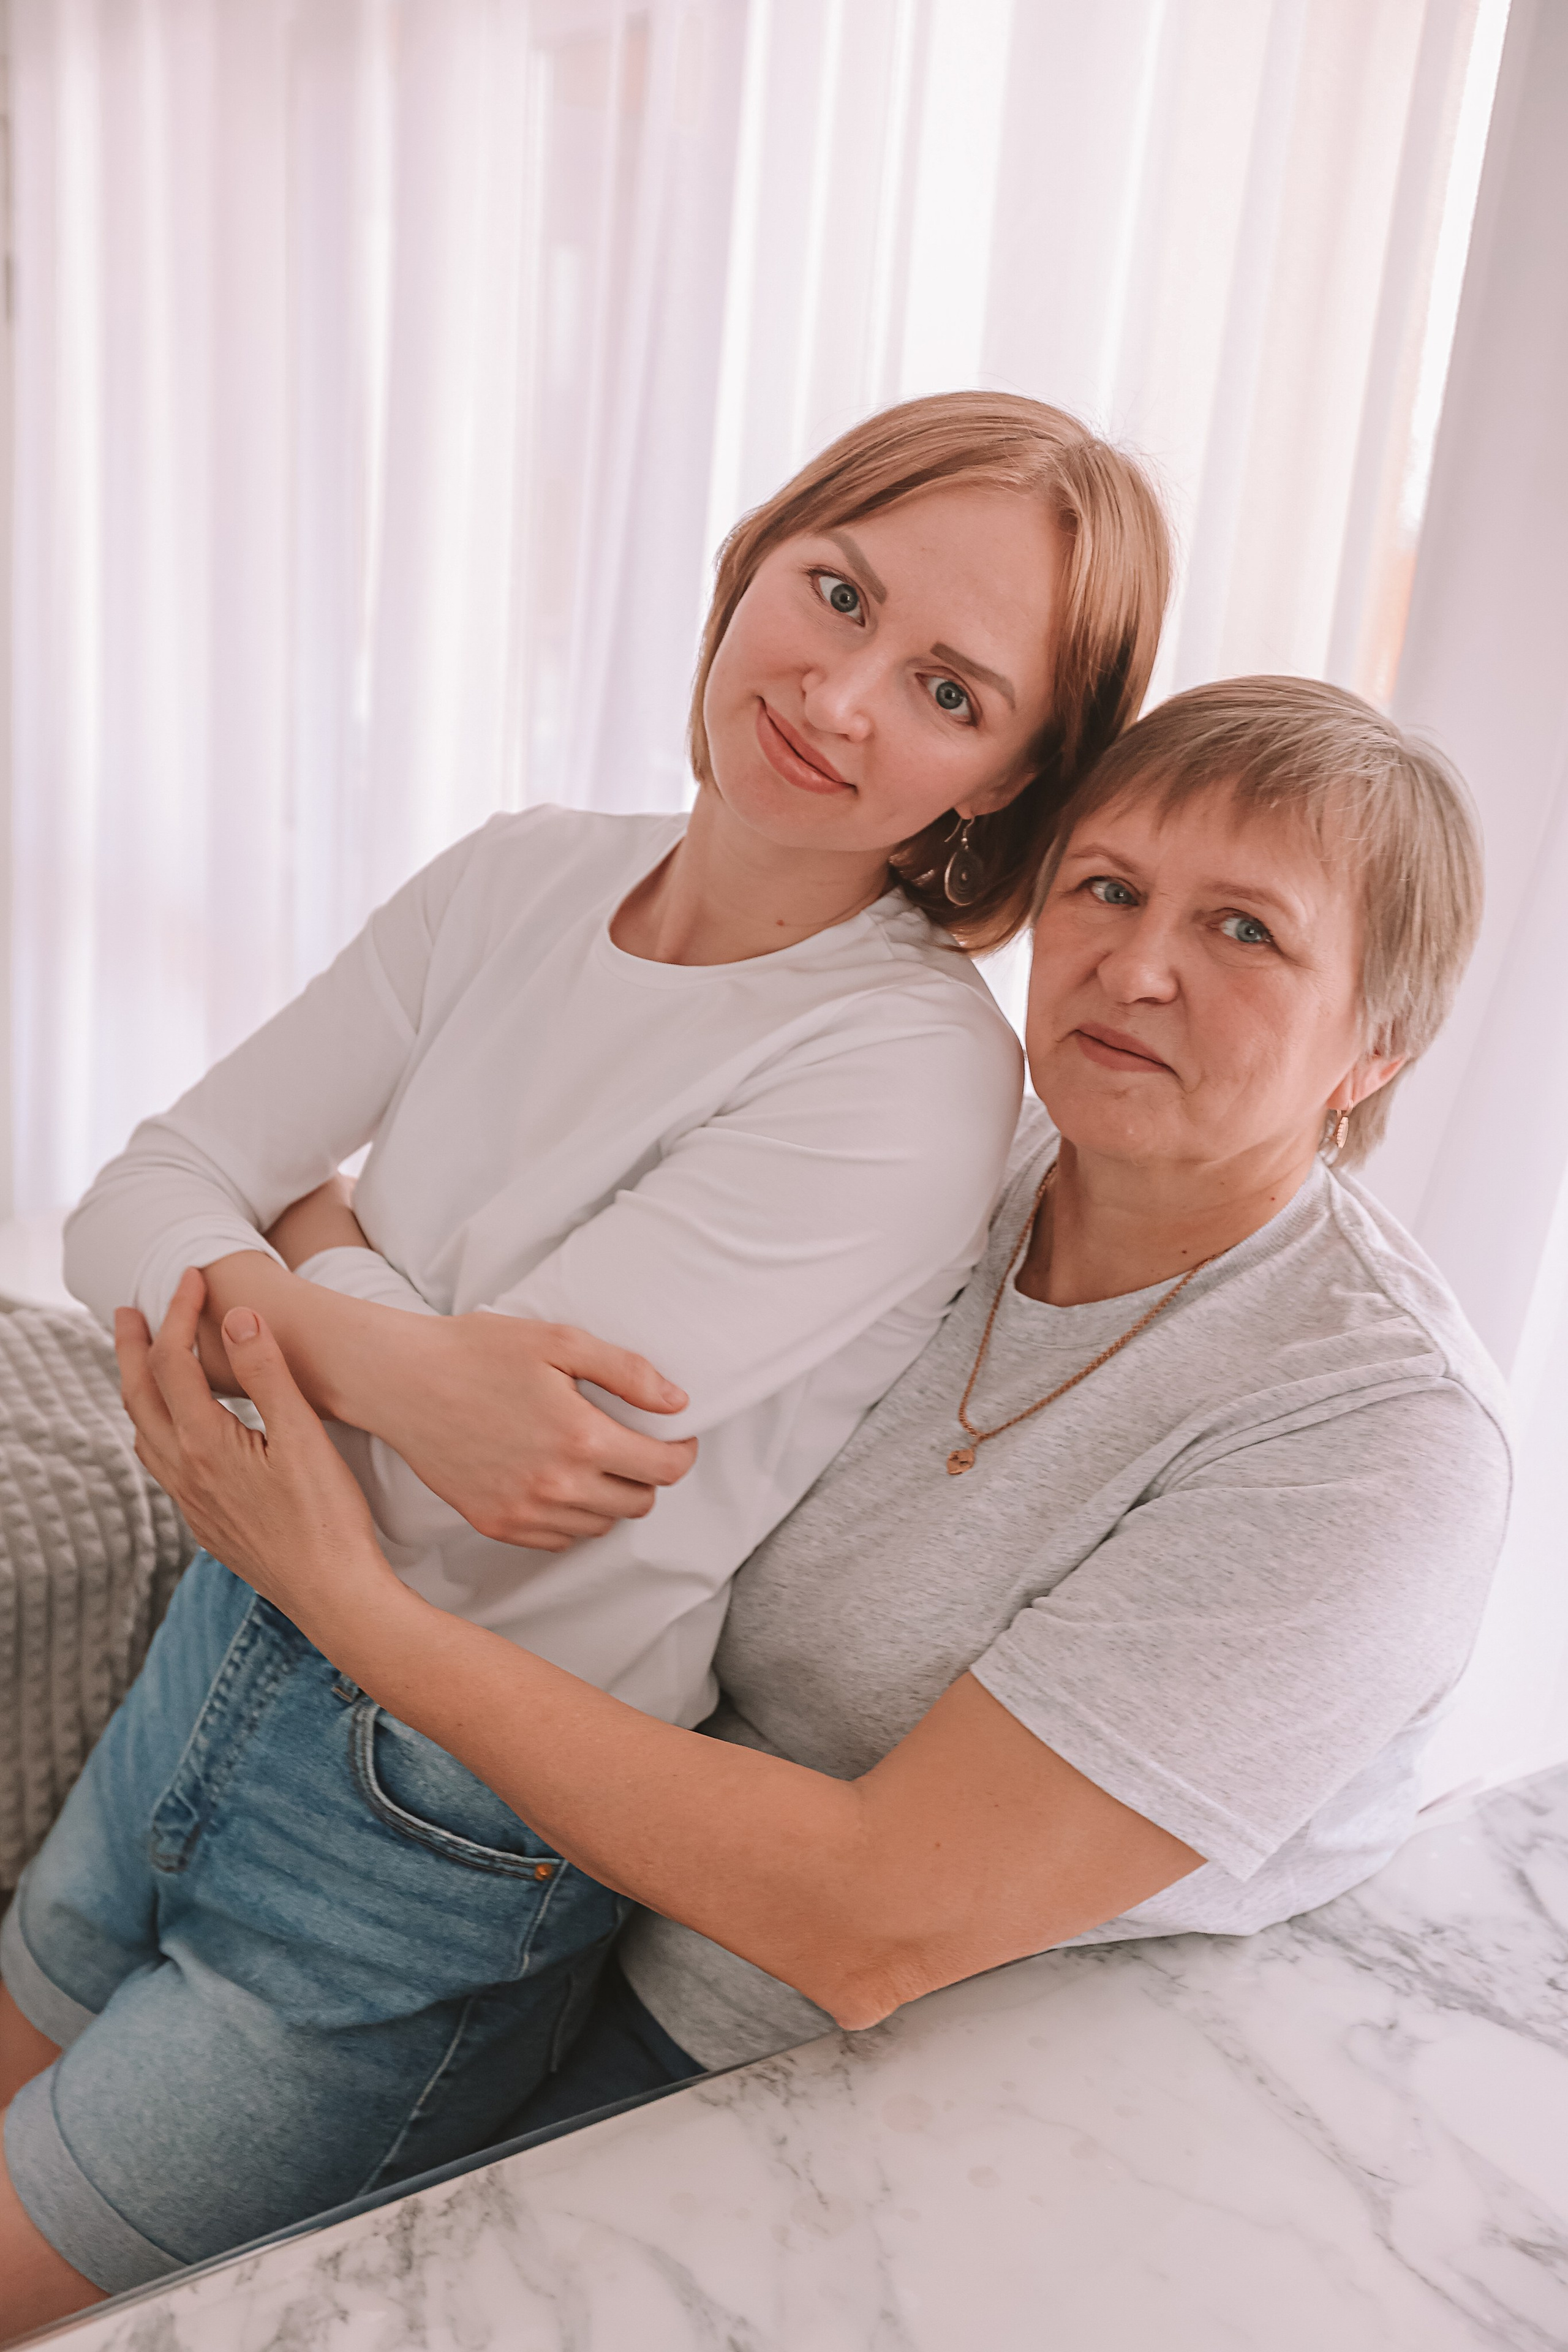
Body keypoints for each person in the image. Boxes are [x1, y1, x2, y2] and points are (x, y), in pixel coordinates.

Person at [28, 674, 1511, 2331]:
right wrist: (359, 1320)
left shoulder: (1376, 1437)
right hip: (572, 1914)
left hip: (856, 2109)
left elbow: (873, 1921)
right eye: (1108, 886)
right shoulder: (963, 1156)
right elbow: (399, 1245)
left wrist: (348, 1596)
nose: (1140, 962)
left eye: (1246, 932)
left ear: (1377, 1045)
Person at [0, 393, 1172, 2332]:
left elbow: (512, 1451)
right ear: (759, 557)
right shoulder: (521, 872)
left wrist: (305, 1235)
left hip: (431, 1834)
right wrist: (400, 1344)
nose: (844, 694)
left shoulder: (903, 1068)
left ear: (1008, 785)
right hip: (219, 1641)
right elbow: (133, 1199)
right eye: (840, 591)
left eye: (951, 692)